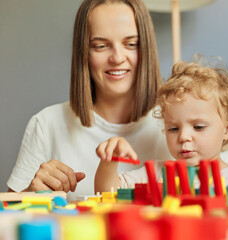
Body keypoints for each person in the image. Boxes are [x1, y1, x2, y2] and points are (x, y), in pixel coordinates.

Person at [7, 0, 172, 201]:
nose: (118, 58)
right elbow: (8, 219)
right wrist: (30, 195)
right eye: (101, 46)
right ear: (84, 53)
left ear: (146, 48)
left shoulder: (176, 125)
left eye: (131, 44)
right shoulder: (46, 124)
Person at [95, 58, 228, 200]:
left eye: (198, 127)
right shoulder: (155, 175)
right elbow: (107, 193)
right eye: (173, 128)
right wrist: (110, 160)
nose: (184, 136)